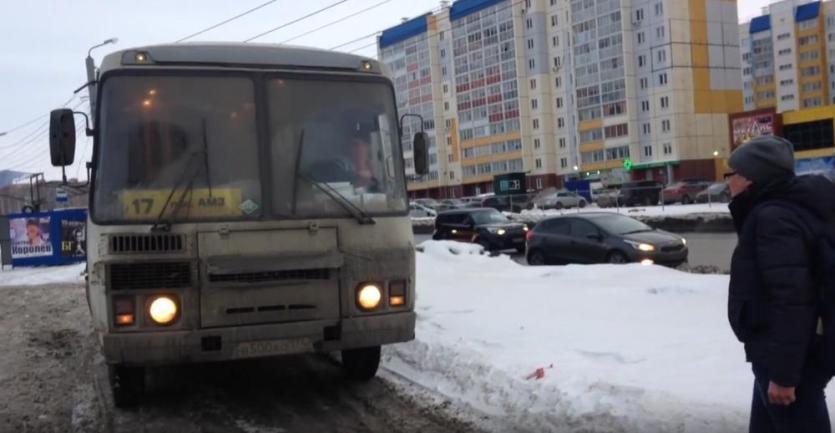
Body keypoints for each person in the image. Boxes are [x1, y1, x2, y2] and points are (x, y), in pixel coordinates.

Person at [727, 135, 835, 433]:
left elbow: (791, 299)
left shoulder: (774, 218)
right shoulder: (792, 208)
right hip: (784, 353)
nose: (728, 182)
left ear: (751, 178)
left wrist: (785, 375)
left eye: (732, 174)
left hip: (789, 359)